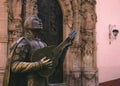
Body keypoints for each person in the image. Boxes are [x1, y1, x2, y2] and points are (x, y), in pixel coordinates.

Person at [3, 15, 53, 86]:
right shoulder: (24, 42)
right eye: (36, 20)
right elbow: (15, 66)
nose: (40, 22)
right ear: (28, 24)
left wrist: (65, 47)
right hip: (29, 82)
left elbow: (51, 62)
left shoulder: (43, 44)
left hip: (43, 81)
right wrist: (38, 64)